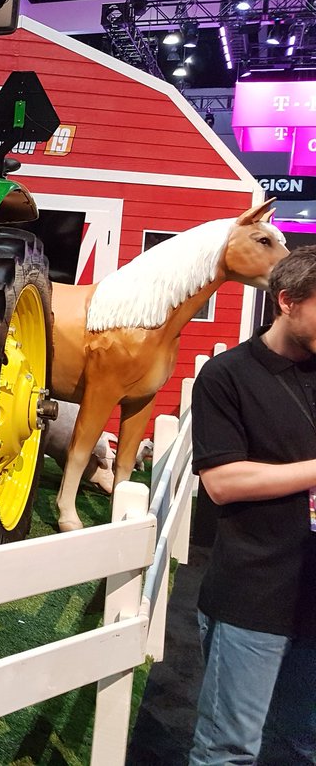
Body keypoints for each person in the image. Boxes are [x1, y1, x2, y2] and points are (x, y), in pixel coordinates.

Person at [189, 244, 316, 765]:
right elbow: (222, 482)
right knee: (228, 751)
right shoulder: (227, 376)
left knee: (301, 747)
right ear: (288, 301)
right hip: (255, 597)